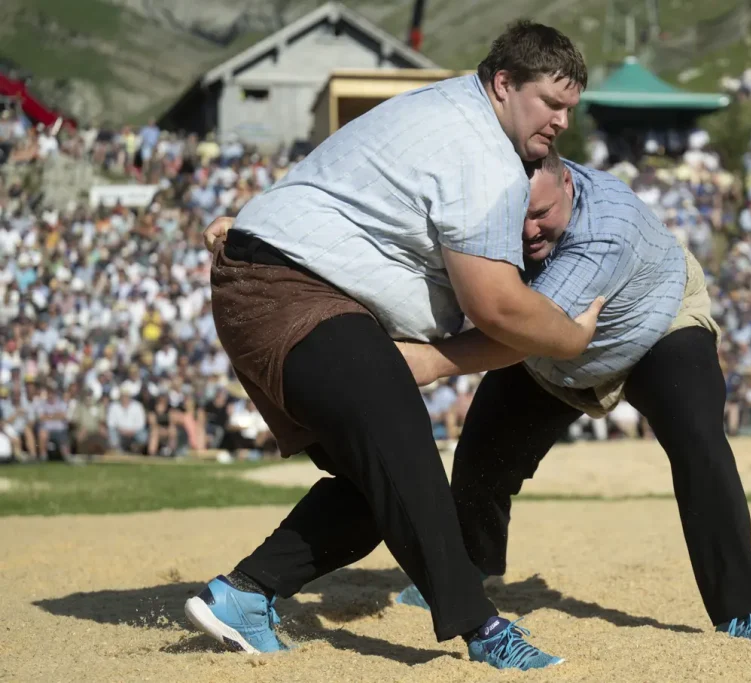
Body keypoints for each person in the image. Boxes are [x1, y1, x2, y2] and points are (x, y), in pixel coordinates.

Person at [187, 22, 596, 671]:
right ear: (503, 84)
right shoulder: (484, 154)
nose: (562, 120)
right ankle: (481, 627)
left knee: (375, 483)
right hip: (295, 291)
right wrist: (570, 335)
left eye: (569, 106)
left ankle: (244, 594)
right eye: (551, 101)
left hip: (281, 280)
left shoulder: (442, 108)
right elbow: (496, 306)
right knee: (403, 443)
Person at [394, 150, 751, 641]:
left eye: (541, 215)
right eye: (517, 219)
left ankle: (742, 608)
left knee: (700, 443)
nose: (528, 233)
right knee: (483, 455)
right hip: (558, 349)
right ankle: (469, 568)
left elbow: (526, 326)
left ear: (569, 183)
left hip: (656, 322)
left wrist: (429, 362)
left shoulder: (608, 221)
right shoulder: (493, 212)